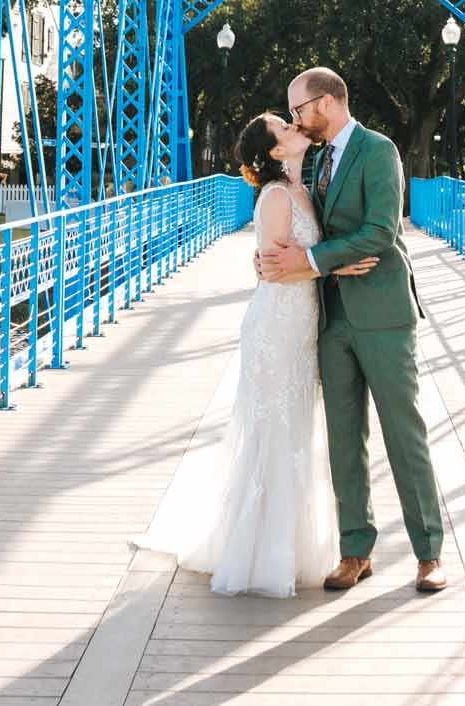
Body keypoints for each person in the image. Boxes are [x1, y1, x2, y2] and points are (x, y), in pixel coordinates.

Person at [138, 112, 377, 596]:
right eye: (284, 129)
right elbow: (271, 272)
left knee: (294, 432)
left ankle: (289, 543)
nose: (294, 128)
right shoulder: (273, 197)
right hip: (276, 327)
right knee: (274, 431)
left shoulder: (303, 190)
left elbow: (292, 259)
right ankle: (261, 552)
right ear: (274, 152)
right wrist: (336, 270)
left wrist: (325, 266)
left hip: (302, 325)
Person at [254, 67, 452, 596]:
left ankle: (428, 554)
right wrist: (283, 258)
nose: (294, 119)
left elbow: (381, 231)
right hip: (328, 316)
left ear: (325, 102)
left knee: (404, 434)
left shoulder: (379, 150)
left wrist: (313, 259)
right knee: (344, 438)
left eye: (298, 110)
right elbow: (296, 221)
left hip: (383, 313)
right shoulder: (312, 157)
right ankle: (355, 551)